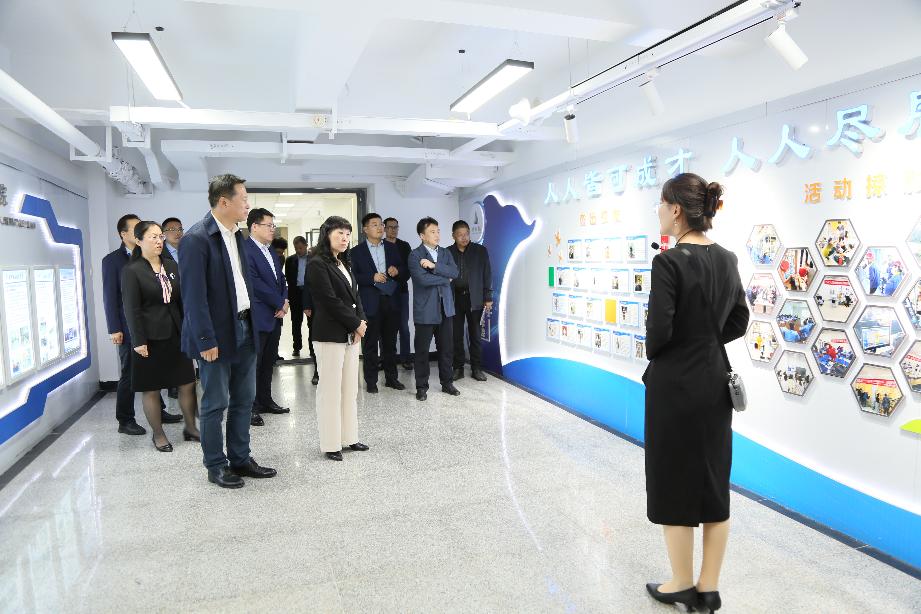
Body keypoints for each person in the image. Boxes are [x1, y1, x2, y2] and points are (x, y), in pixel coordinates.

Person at [643, 173, 749, 614]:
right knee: (713, 482)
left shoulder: (668, 262)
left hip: (674, 386)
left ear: (676, 209)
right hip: (714, 383)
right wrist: (706, 340)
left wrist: (677, 344)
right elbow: (739, 320)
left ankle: (681, 583)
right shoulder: (727, 258)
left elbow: (657, 335)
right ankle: (709, 589)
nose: (658, 211)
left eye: (660, 204)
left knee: (673, 481)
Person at [180, 174, 276, 489]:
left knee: (244, 399)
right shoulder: (197, 239)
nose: (248, 205)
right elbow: (193, 298)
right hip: (217, 333)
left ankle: (240, 458)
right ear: (224, 201)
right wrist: (205, 339)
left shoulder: (238, 235)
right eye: (243, 199)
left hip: (245, 325)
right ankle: (215, 465)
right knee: (215, 402)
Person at [121, 221, 199, 452]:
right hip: (149, 338)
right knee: (152, 389)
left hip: (177, 333)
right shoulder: (132, 270)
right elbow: (131, 309)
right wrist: (138, 341)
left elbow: (182, 300)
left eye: (160, 237)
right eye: (153, 237)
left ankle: (191, 428)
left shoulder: (171, 265)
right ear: (139, 241)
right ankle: (159, 434)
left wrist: (190, 330)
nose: (158, 241)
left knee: (187, 383)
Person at [102, 213, 177, 436]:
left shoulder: (152, 256)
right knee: (130, 374)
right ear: (123, 234)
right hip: (128, 328)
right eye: (135, 229)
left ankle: (159, 411)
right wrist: (114, 328)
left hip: (153, 326)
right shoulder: (112, 261)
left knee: (155, 370)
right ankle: (125, 419)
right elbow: (110, 297)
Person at [306, 216, 369, 461]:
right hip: (329, 334)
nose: (344, 238)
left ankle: (349, 437)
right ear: (327, 235)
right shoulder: (317, 263)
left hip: (350, 334)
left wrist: (361, 322)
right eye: (339, 233)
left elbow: (356, 296)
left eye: (347, 234)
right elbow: (328, 301)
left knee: (349, 389)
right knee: (330, 391)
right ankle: (331, 443)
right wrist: (355, 323)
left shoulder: (343, 261)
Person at [243, 208, 290, 427]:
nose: (273, 229)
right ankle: (251, 407)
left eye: (273, 225)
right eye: (269, 225)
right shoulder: (246, 250)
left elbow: (281, 279)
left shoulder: (270, 250)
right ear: (254, 227)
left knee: (268, 362)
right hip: (259, 315)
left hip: (275, 315)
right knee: (254, 364)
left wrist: (285, 300)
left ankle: (265, 400)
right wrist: (279, 303)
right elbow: (254, 283)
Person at [351, 213, 407, 393]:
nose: (380, 227)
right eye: (374, 224)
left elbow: (404, 270)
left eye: (381, 224)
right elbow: (353, 277)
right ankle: (371, 381)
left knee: (390, 343)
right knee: (370, 344)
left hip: (391, 301)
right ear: (365, 229)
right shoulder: (356, 252)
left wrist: (397, 270)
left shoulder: (391, 248)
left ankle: (391, 378)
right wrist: (371, 277)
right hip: (370, 303)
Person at [408, 217, 460, 401]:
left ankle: (447, 383)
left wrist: (434, 266)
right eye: (432, 232)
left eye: (438, 231)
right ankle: (421, 387)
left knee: (446, 349)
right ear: (422, 235)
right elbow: (422, 280)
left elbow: (455, 272)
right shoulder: (415, 255)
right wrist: (445, 279)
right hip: (425, 310)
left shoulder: (445, 253)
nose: (437, 235)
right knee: (422, 351)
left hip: (446, 308)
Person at [447, 220, 493, 382]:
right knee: (456, 335)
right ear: (453, 236)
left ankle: (476, 368)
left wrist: (488, 297)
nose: (464, 237)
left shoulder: (480, 251)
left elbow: (487, 274)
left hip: (475, 298)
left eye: (466, 234)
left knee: (475, 335)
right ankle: (458, 368)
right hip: (455, 298)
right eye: (460, 235)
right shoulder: (447, 252)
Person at [384, 217, 414, 370]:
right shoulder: (379, 245)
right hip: (385, 292)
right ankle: (386, 359)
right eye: (390, 227)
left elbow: (410, 268)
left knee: (403, 326)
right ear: (384, 229)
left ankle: (406, 358)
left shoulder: (404, 246)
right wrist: (388, 271)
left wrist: (398, 271)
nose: (393, 230)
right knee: (386, 328)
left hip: (401, 291)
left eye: (395, 227)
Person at [284, 237, 310, 358]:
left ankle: (312, 349)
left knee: (312, 323)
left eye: (300, 248)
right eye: (296, 248)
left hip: (309, 294)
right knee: (296, 322)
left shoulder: (313, 259)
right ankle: (296, 347)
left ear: (306, 245)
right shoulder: (290, 260)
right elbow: (288, 278)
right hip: (295, 295)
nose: (298, 250)